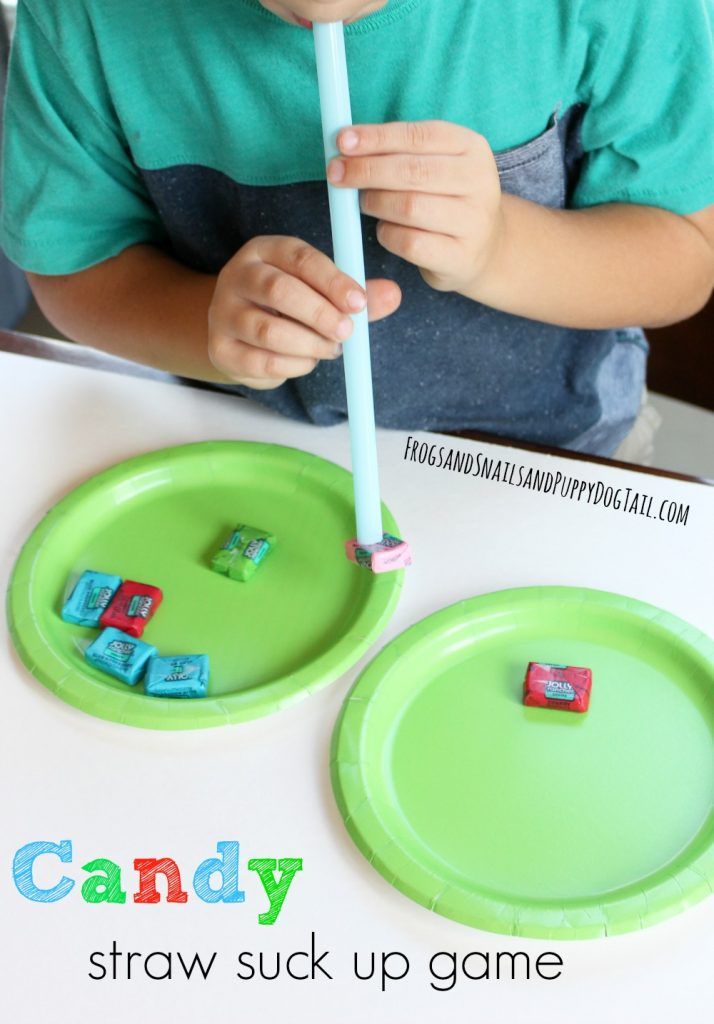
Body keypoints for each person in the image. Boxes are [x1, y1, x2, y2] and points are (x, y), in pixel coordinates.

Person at [2, 0, 713, 457]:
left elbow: (687, 254)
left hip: (555, 447)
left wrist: (503, 247)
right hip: (243, 438)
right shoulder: (85, 18)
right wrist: (208, 327)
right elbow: (74, 266)